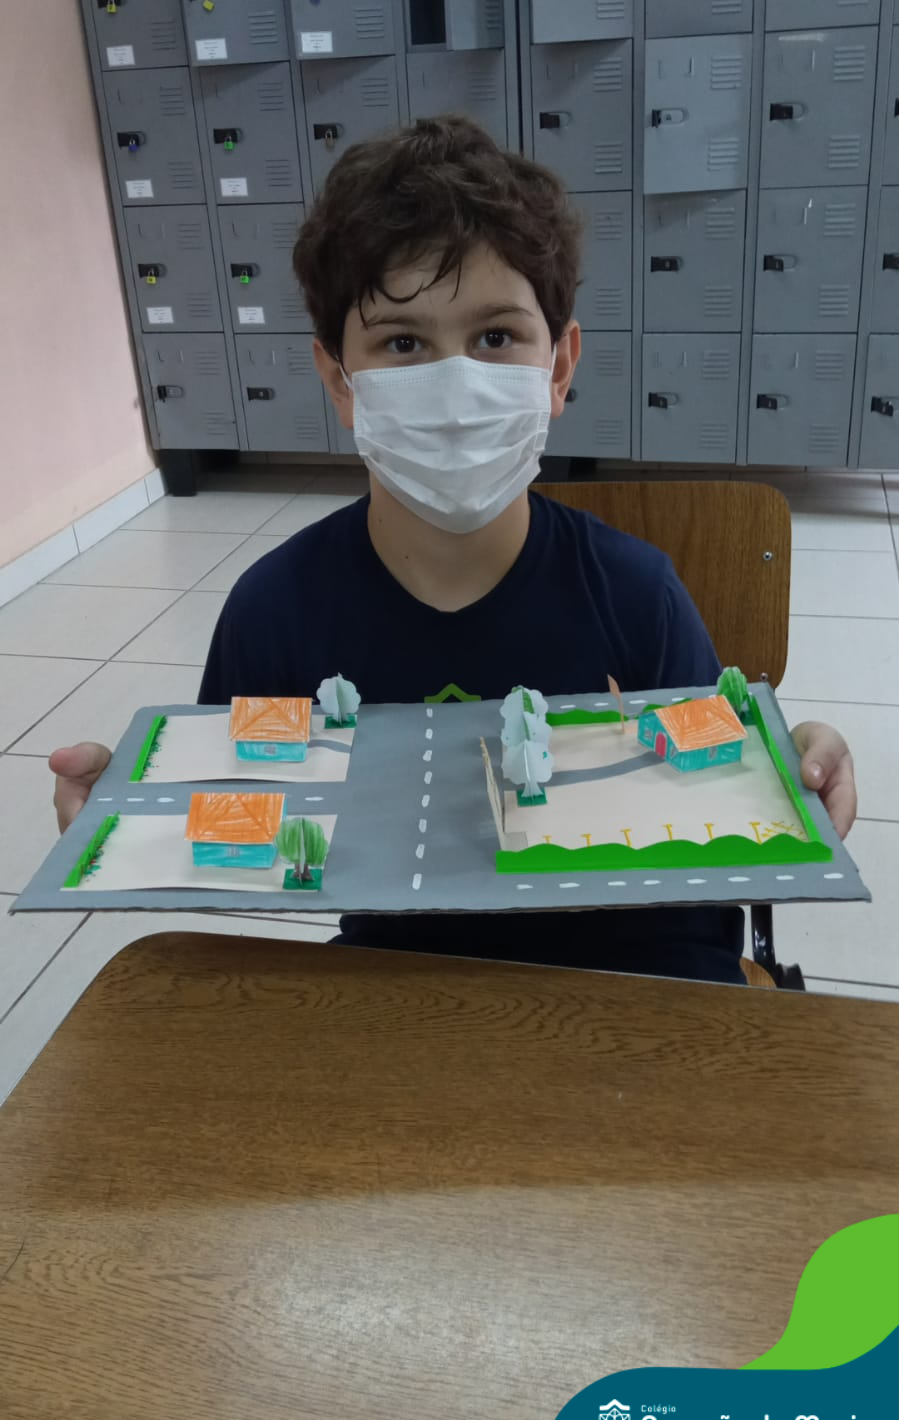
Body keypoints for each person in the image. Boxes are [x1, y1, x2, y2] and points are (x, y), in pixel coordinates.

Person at [50, 116, 857, 985]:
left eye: (495, 337)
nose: (454, 385)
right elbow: (232, 814)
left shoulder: (636, 597)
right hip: (401, 985)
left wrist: (790, 772)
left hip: (633, 979)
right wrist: (130, 812)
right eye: (402, 343)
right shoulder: (274, 610)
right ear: (338, 381)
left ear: (558, 367)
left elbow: (718, 811)